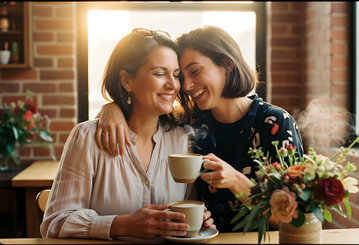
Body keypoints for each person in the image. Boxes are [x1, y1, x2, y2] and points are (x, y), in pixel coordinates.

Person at [95, 26, 304, 232]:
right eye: (183, 77)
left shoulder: (274, 123)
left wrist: (237, 181)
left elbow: (295, 220)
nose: (186, 87)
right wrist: (111, 108)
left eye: (195, 71)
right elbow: (143, 113)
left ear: (227, 65)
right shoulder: (190, 123)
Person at [40, 28, 213, 240]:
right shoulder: (88, 138)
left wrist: (197, 222)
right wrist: (120, 225)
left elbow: (184, 216)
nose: (173, 84)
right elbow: (54, 224)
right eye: (159, 73)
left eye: (176, 75)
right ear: (126, 80)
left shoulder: (182, 139)